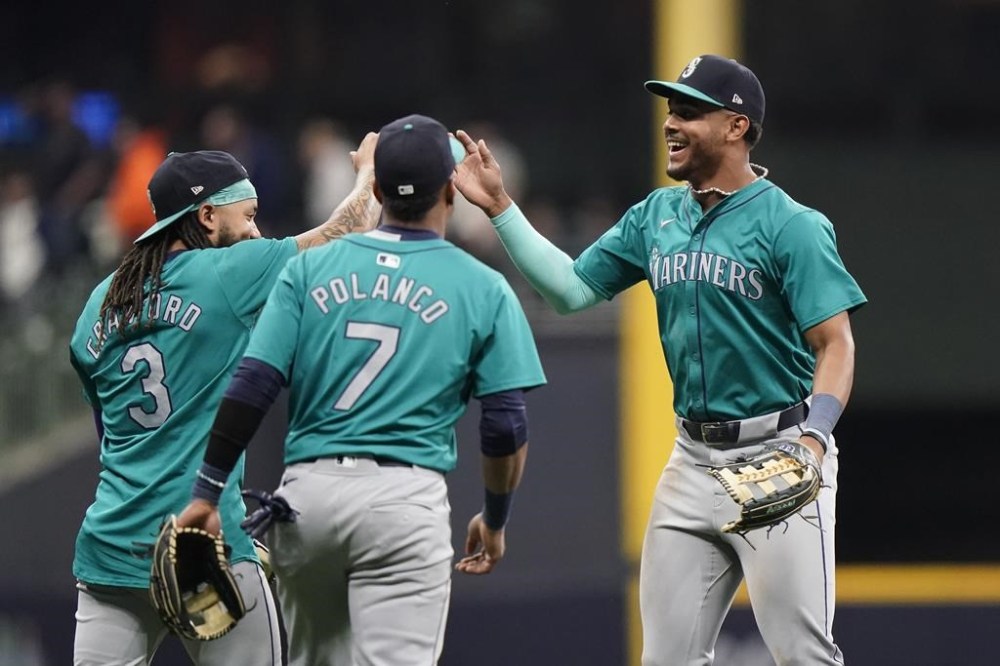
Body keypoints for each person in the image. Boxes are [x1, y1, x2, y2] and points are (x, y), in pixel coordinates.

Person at [454, 54, 866, 665]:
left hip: (778, 454)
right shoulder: (656, 215)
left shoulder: (793, 225)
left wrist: (812, 439)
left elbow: (836, 344)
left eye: (690, 111)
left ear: (736, 126)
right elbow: (570, 293)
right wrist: (501, 209)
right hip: (692, 461)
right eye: (670, 109)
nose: (672, 123)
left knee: (804, 654)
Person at [175, 113, 547, 666]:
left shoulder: (310, 270)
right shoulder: (483, 287)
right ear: (451, 189)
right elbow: (504, 423)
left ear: (373, 189)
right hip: (401, 498)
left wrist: (206, 492)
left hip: (306, 501)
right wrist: (493, 519)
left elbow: (253, 384)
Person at [68, 134, 381, 666]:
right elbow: (346, 234)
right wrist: (369, 174)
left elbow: (108, 432)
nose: (257, 230)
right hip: (206, 547)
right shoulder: (229, 273)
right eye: (249, 214)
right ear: (208, 216)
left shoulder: (101, 300)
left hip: (111, 552)